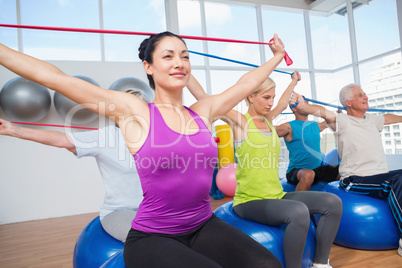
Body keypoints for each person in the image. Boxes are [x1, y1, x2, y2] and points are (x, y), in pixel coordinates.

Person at [0, 31, 286, 268]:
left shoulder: (203, 111)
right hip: (153, 236)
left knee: (269, 265)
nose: (179, 62)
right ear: (148, 67)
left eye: (185, 56)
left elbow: (246, 83)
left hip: (202, 225)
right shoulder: (134, 111)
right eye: (168, 56)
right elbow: (56, 79)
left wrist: (275, 57)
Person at [189, 71, 342, 268]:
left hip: (276, 195)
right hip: (250, 201)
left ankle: (320, 263)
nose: (271, 102)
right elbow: (205, 99)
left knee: (332, 202)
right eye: (266, 97)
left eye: (273, 97)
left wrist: (293, 81)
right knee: (298, 212)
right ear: (250, 97)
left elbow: (283, 102)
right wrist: (186, 74)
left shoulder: (269, 120)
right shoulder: (241, 122)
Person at [0, 89, 149, 242]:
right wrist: (13, 130)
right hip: (120, 211)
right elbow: (61, 139)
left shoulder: (157, 138)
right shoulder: (106, 137)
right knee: (151, 238)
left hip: (155, 210)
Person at [290, 84, 402, 257]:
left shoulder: (372, 120)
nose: (366, 97)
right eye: (360, 95)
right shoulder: (342, 121)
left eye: (364, 94)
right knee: (396, 181)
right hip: (356, 179)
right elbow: (322, 112)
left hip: (379, 176)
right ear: (348, 102)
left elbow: (387, 117)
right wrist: (304, 107)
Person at [276, 99, 339, 191]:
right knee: (308, 174)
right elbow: (269, 130)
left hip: (318, 169)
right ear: (294, 109)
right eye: (302, 103)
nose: (307, 105)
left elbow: (329, 121)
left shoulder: (314, 125)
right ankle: (297, 205)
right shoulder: (288, 127)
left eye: (306, 103)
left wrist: (339, 116)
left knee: (343, 170)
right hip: (297, 171)